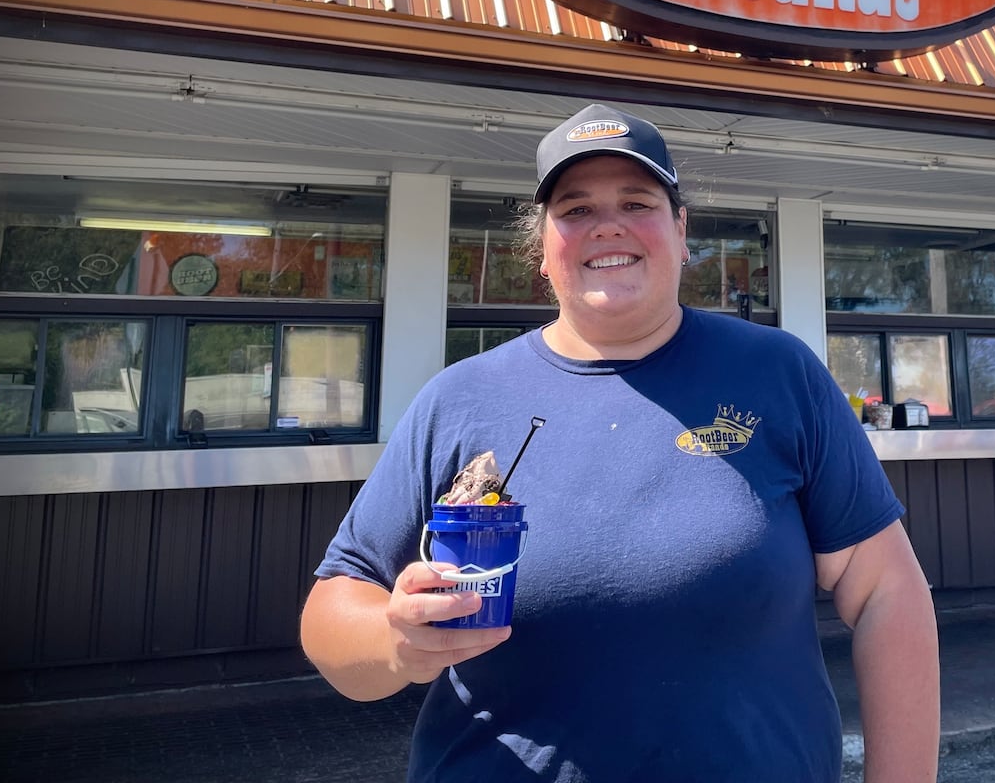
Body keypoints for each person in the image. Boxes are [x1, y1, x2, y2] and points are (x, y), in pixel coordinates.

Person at [300, 103, 940, 782]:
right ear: (542, 252)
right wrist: (397, 641)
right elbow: (334, 612)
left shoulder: (779, 375)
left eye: (637, 201)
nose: (608, 224)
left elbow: (886, 594)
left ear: (681, 231)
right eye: (575, 210)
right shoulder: (460, 399)